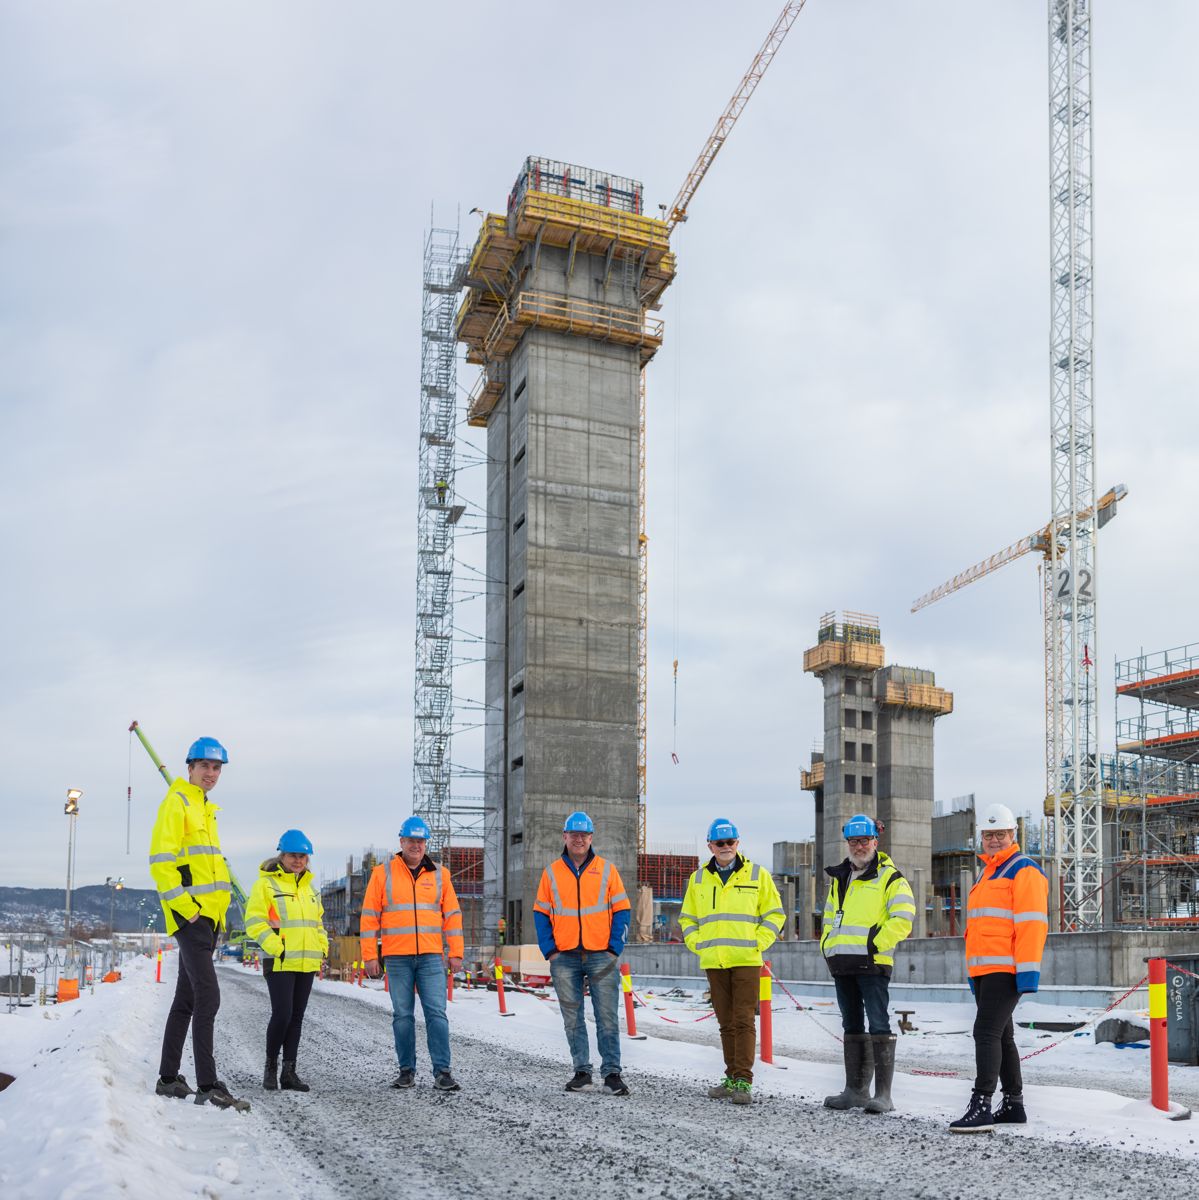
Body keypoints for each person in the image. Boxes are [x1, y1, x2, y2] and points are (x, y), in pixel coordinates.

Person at [148, 736, 248, 1111]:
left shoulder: (205, 808)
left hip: (208, 917)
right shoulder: (177, 803)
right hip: (191, 916)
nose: (211, 773)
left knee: (187, 998)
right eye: (204, 766)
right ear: (189, 767)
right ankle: (208, 1084)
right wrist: (185, 907)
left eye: (217, 767)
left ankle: (169, 1078)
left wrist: (212, 914)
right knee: (209, 996)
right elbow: (161, 861)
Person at [950, 802, 1049, 1133]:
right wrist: (972, 972)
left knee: (986, 1032)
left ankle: (981, 1104)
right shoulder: (988, 872)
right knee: (1003, 1036)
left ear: (1013, 835)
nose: (993, 840)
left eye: (1000, 834)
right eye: (988, 834)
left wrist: (1028, 972)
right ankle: (1013, 1104)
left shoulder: (1024, 870)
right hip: (984, 969)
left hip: (1006, 968)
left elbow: (1032, 924)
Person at [679, 818, 785, 1106]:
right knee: (726, 1022)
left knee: (743, 1020)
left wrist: (758, 942)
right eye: (719, 843)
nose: (725, 847)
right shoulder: (698, 879)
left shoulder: (756, 875)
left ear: (738, 843)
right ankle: (730, 1076)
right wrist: (697, 943)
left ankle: (743, 1080)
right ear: (710, 845)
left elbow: (776, 914)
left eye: (730, 842)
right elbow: (687, 918)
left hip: (747, 960)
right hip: (714, 960)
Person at [820, 813, 915, 1114]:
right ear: (847, 842)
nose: (859, 846)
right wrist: (828, 946)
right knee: (851, 1024)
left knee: (878, 1023)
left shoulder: (891, 878)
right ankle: (856, 1090)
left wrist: (874, 944)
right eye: (853, 841)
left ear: (875, 841)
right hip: (843, 963)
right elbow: (828, 916)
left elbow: (903, 919)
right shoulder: (840, 878)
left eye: (864, 840)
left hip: (872, 964)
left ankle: (883, 1095)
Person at [361, 816, 464, 1092]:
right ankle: (406, 1071)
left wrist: (456, 952)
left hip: (431, 956)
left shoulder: (440, 875)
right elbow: (369, 917)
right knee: (403, 1016)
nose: (416, 846)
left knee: (436, 1014)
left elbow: (452, 916)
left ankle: (442, 1071)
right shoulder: (382, 874)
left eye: (420, 841)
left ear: (425, 843)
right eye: (411, 840)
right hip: (397, 958)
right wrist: (370, 955)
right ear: (401, 842)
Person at [533, 811, 632, 1096]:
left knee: (607, 1016)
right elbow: (540, 914)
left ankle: (612, 1073)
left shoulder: (607, 870)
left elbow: (622, 911)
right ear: (565, 837)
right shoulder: (551, 873)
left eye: (584, 835)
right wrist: (549, 950)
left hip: (601, 954)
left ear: (591, 837)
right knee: (572, 1017)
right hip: (564, 956)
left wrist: (615, 948)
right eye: (573, 835)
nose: (579, 839)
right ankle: (582, 1072)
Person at [244, 828, 328, 1093]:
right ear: (282, 855)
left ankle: (289, 1072)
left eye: (303, 856)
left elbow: (318, 923)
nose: (298, 860)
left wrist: (322, 947)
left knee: (297, 1018)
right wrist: (276, 947)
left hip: (306, 961)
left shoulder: (310, 890)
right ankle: (270, 1066)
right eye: (293, 855)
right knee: (282, 1014)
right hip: (280, 960)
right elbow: (254, 922)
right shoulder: (266, 885)